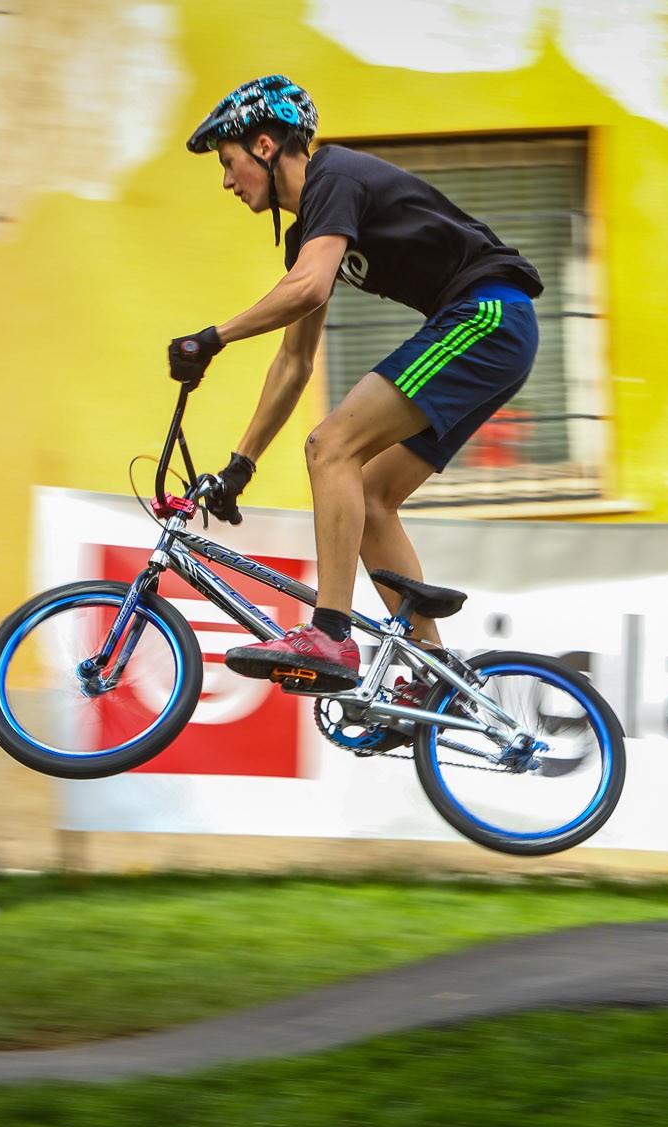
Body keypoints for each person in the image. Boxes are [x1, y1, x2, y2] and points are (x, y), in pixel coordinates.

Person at [168, 75, 542, 693]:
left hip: (487, 316)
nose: (227, 182)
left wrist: (213, 337)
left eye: (228, 163)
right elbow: (295, 361)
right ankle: (435, 677)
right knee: (368, 498)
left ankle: (330, 633)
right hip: (493, 333)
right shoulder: (313, 230)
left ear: (264, 146)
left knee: (330, 447)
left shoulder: (333, 176)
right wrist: (241, 466)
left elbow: (309, 287)